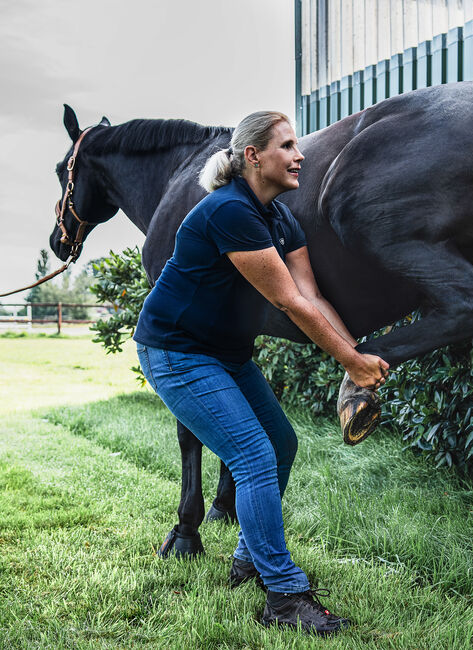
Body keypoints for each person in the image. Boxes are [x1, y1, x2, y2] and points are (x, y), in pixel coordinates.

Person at [133, 111, 389, 635]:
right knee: (252, 454)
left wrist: (355, 362)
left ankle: (250, 558)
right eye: (288, 146)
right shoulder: (229, 211)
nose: (300, 156)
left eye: (298, 146)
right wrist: (351, 360)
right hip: (177, 351)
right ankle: (284, 595)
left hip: (225, 354)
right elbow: (290, 302)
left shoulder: (279, 217)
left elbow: (312, 295)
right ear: (253, 156)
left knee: (281, 445)